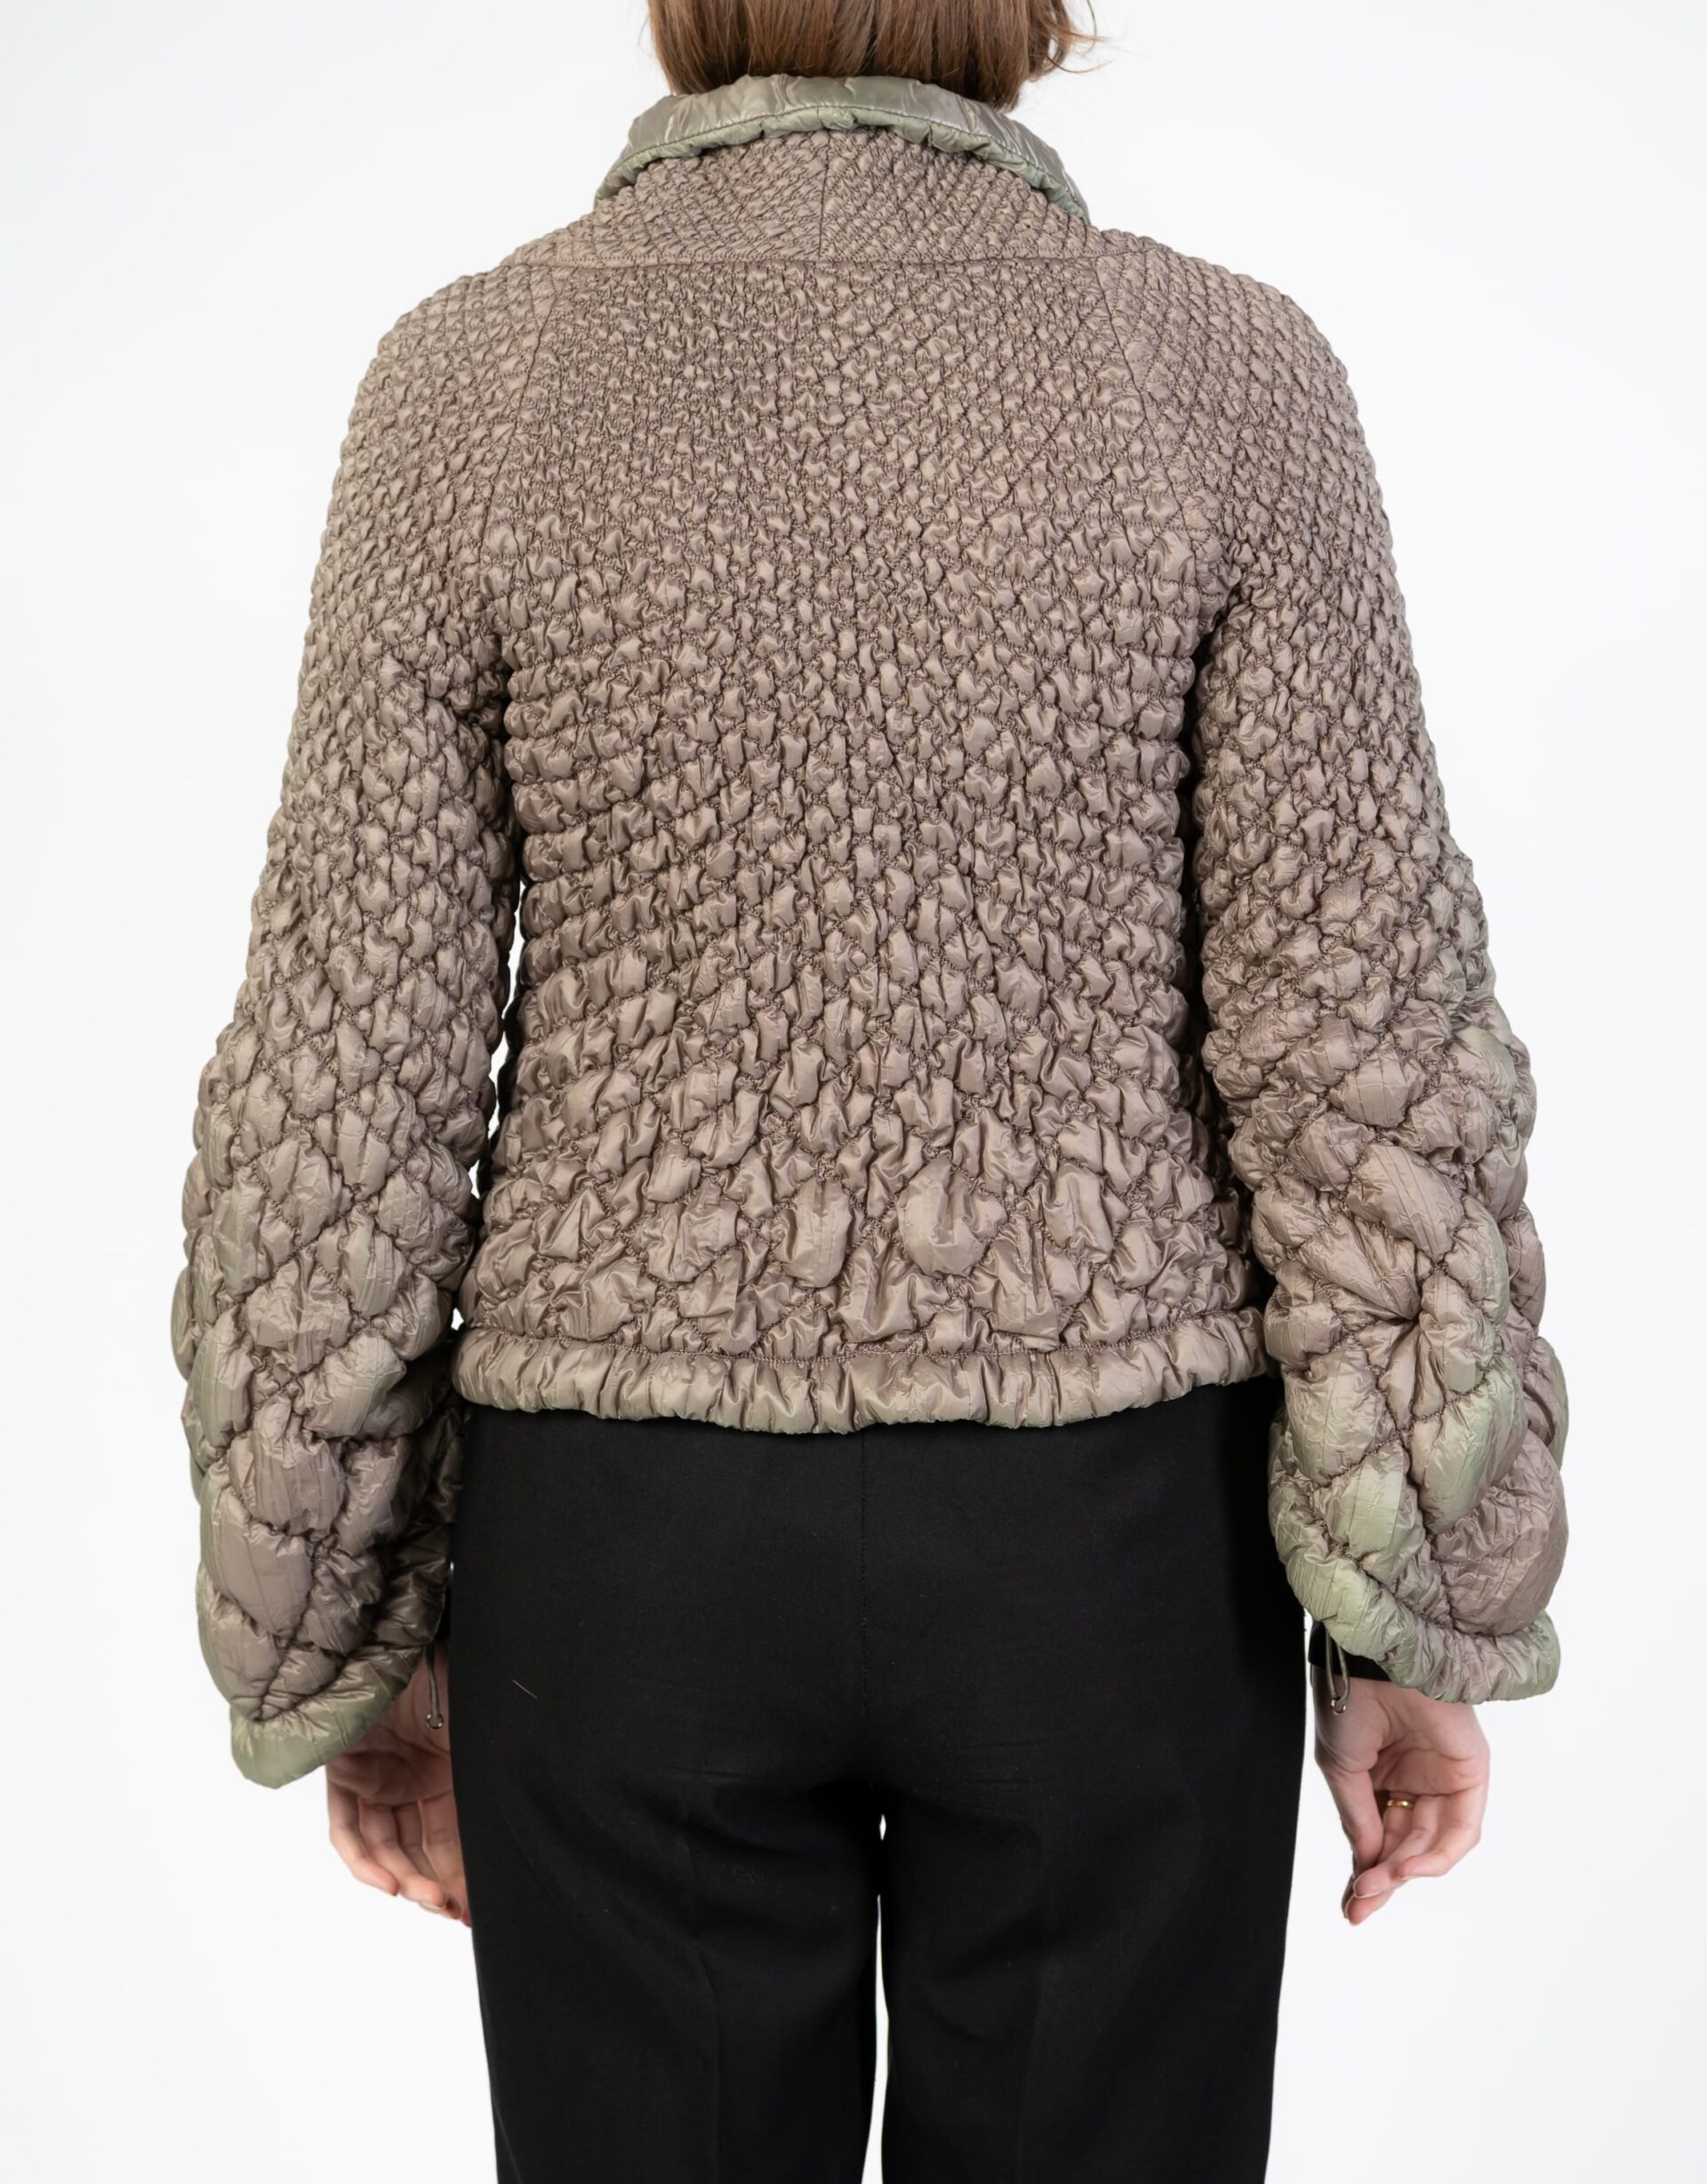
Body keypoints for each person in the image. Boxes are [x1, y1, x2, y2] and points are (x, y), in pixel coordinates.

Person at [169, 3, 1569, 2175]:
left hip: (620, 1556)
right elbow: (1365, 1037)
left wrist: (347, 1634)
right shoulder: (1226, 372)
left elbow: (347, 1069)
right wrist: (1422, 1603)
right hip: (1111, 1546)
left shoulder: (470, 383)